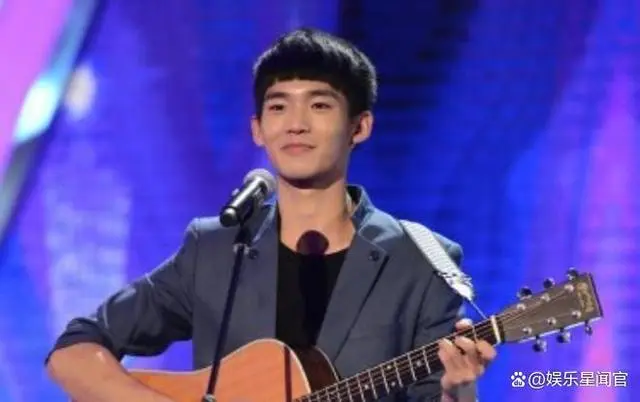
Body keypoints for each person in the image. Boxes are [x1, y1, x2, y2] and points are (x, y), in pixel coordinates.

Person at [45, 28, 496, 402]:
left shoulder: (421, 260)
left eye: (319, 105)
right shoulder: (216, 248)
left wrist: (458, 389)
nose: (295, 124)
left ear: (359, 127)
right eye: (279, 106)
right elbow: (74, 349)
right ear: (257, 129)